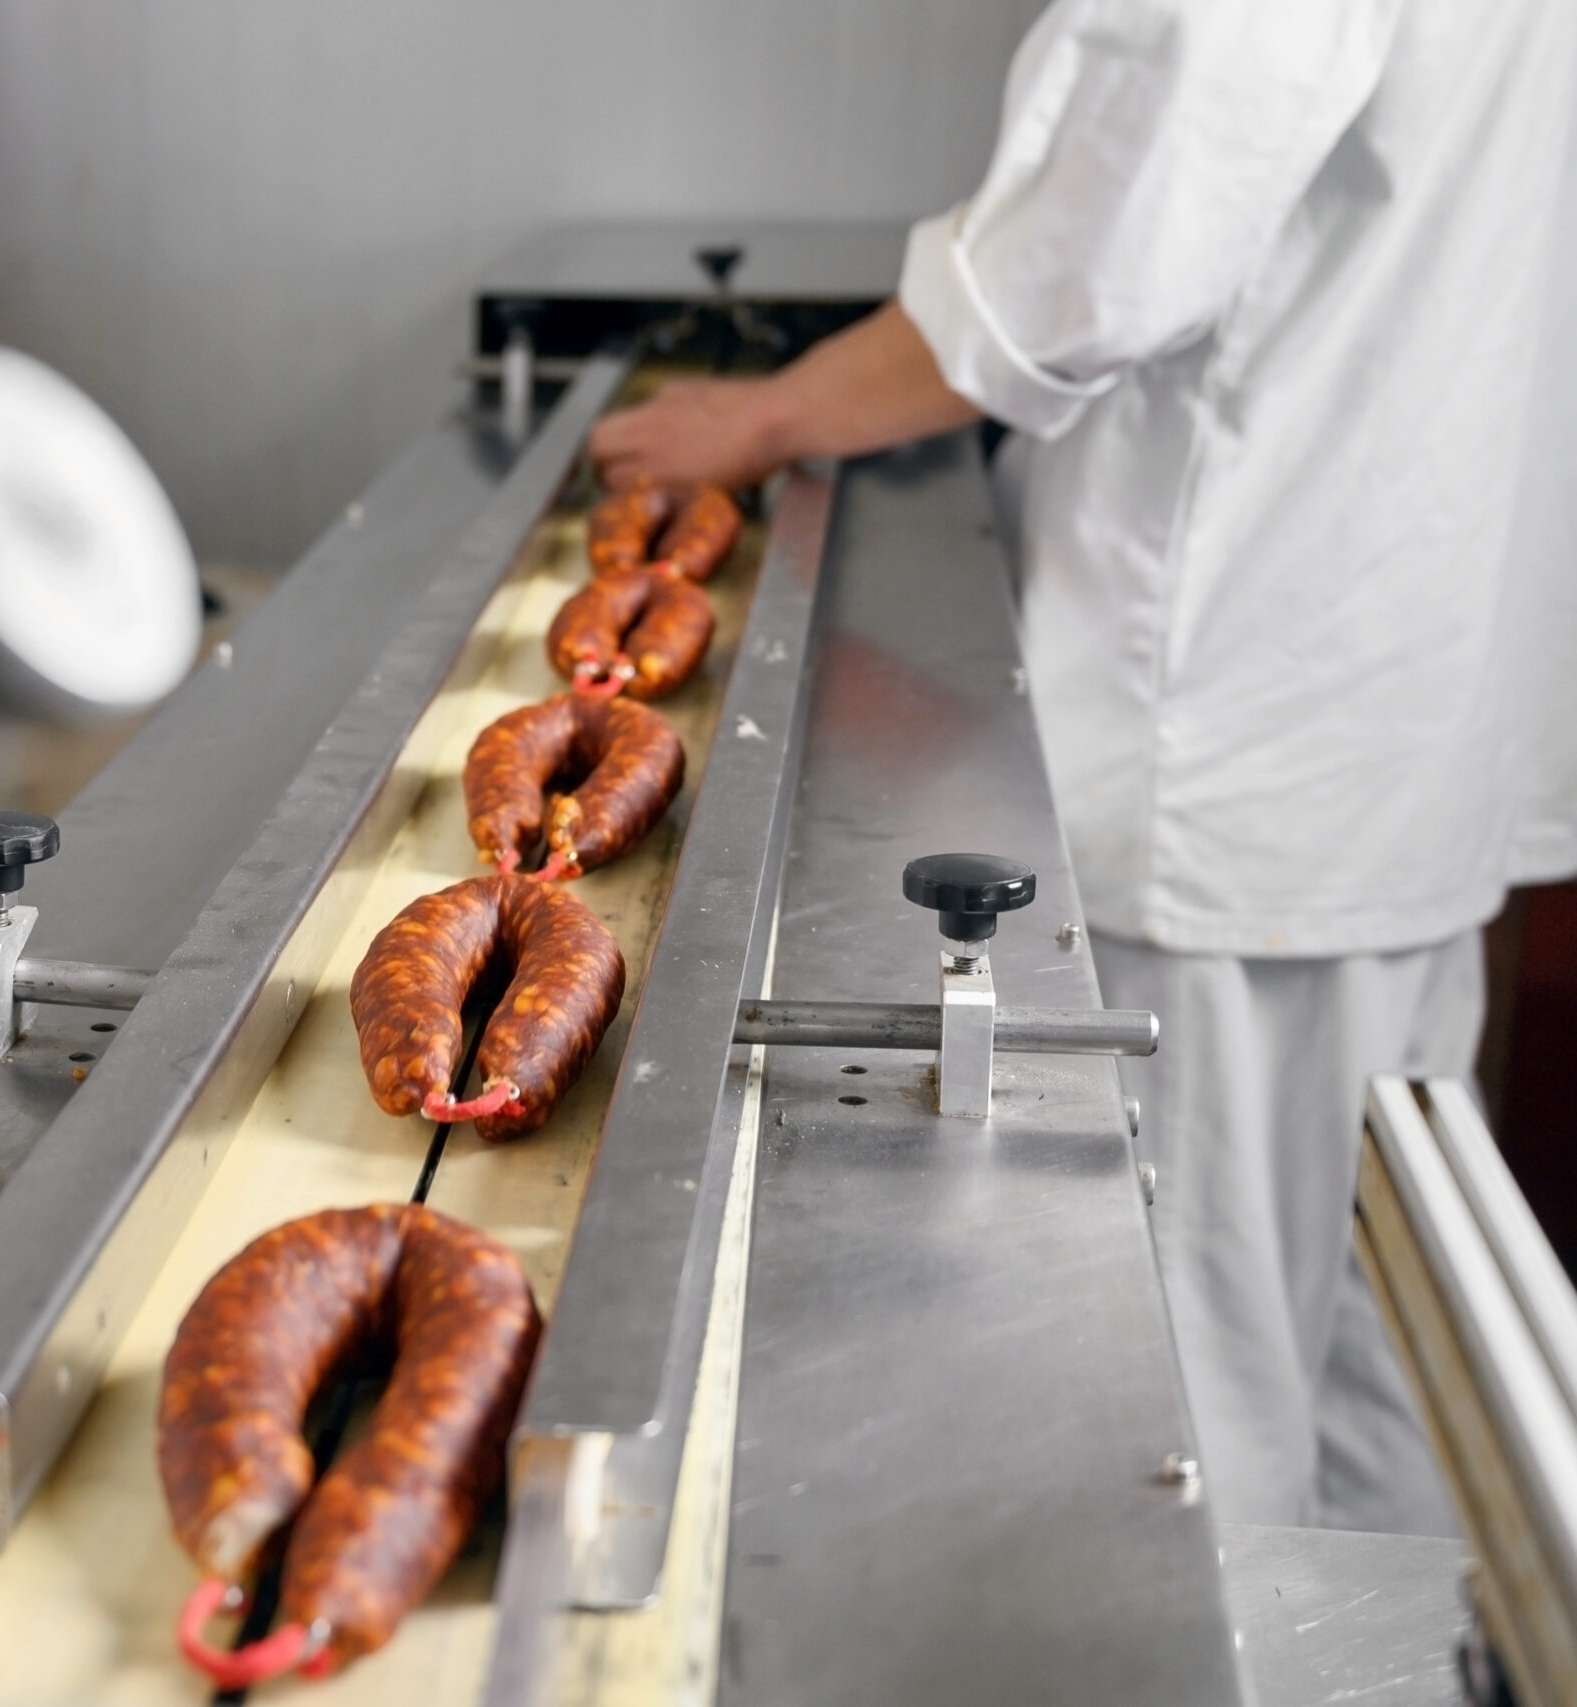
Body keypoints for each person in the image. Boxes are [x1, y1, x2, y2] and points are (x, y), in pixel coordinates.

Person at [593, 0, 1577, 1531]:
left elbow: (1086, 263)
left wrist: (768, 413)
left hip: (1230, 736)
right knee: (1368, 1345)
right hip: (1395, 740)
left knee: (1202, 1387)